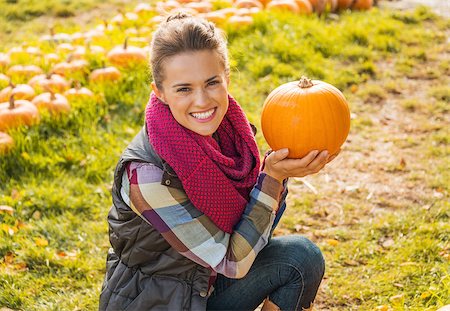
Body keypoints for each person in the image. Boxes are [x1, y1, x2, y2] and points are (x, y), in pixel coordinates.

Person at [99, 12, 335, 311]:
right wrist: (271, 178)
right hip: (167, 303)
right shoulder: (148, 176)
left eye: (212, 83)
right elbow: (234, 262)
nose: (202, 101)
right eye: (184, 89)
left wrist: (277, 174)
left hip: (205, 285)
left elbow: (254, 234)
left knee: (301, 259)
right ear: (159, 93)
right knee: (294, 255)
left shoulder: (229, 136)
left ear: (227, 79)